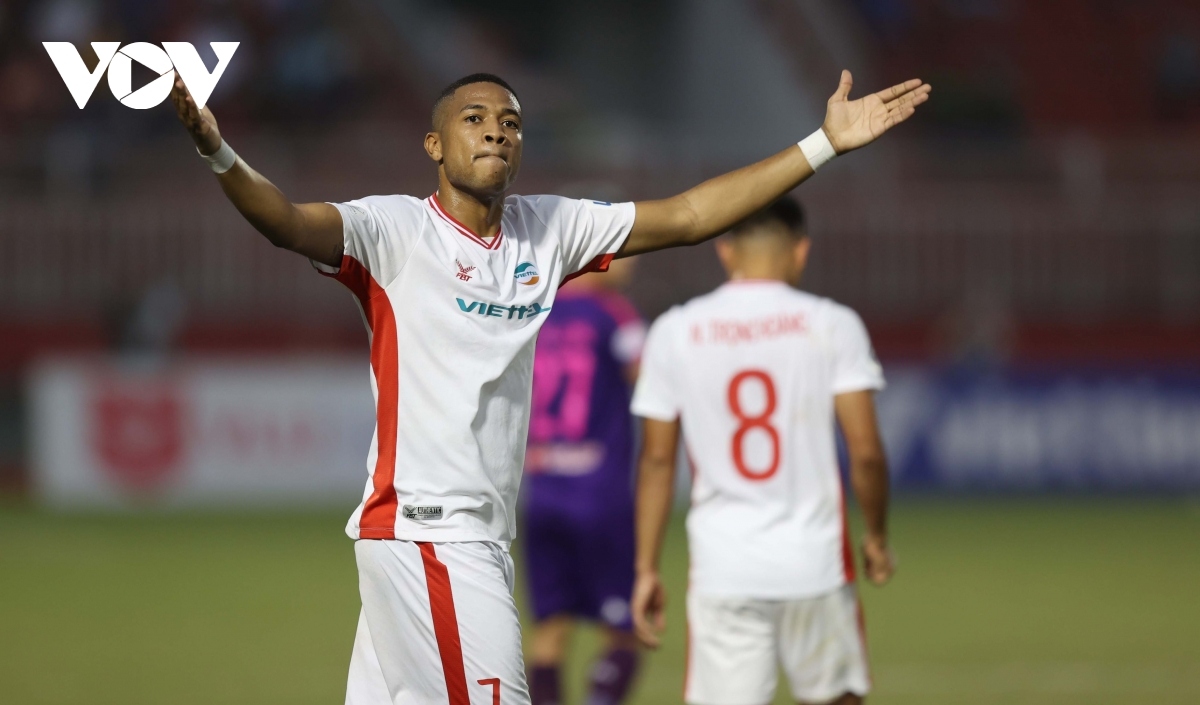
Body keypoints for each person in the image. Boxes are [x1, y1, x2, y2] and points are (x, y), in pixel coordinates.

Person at [168, 66, 928, 705]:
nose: (497, 129)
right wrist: (219, 154)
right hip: (432, 533)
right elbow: (289, 223)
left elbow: (693, 214)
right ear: (435, 144)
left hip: (471, 536)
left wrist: (826, 141)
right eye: (474, 118)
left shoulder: (548, 229)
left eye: (511, 121)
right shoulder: (394, 231)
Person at [629, 196, 894, 705]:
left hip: (724, 565)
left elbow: (657, 461)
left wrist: (646, 569)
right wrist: (877, 536)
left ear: (725, 250)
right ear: (800, 251)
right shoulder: (832, 323)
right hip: (815, 562)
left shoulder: (675, 330)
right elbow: (866, 453)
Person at [522, 257, 645, 705]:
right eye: (624, 251)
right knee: (626, 631)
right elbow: (649, 377)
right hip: (600, 495)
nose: (632, 262)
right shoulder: (615, 313)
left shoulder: (532, 312)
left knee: (549, 631)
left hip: (542, 492)